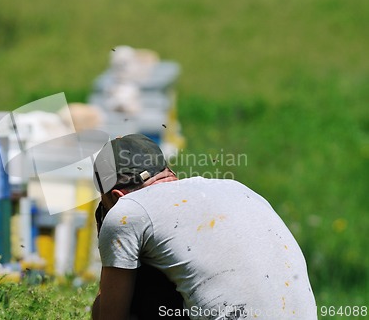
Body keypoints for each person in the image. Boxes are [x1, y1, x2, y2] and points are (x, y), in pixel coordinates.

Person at [91, 134, 317, 320]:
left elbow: (109, 317)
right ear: (170, 174)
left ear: (116, 196)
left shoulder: (127, 212)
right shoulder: (236, 188)